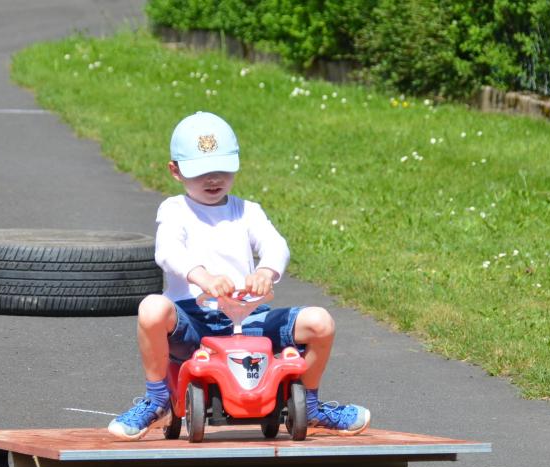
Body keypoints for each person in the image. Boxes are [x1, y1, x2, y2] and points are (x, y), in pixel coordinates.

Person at [108, 111, 370, 440]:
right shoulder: (175, 210)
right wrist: (201, 276)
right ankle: (157, 399)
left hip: (249, 318)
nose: (213, 179)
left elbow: (277, 245)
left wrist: (265, 270)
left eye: (222, 170)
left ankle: (312, 406)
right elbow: (168, 251)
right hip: (193, 320)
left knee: (320, 322)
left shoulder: (248, 211)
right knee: (151, 308)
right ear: (175, 171)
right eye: (201, 172)